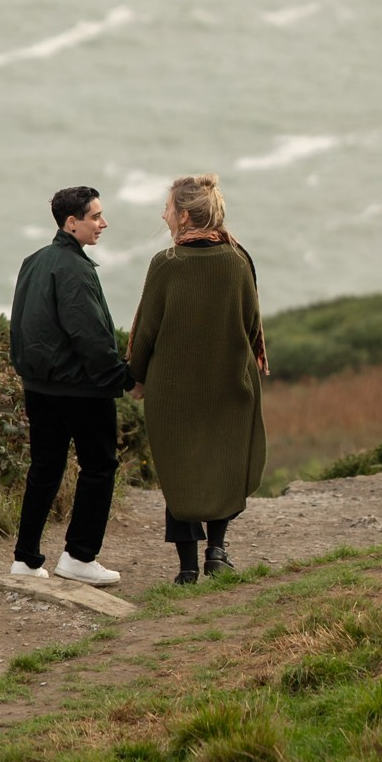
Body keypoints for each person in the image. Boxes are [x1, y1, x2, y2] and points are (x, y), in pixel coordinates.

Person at [126, 172, 268, 582]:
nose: (164, 214)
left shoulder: (166, 265)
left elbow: (146, 331)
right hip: (228, 384)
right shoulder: (239, 260)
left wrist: (135, 378)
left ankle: (188, 569)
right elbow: (252, 323)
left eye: (168, 208)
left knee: (181, 470)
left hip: (174, 392)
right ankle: (217, 551)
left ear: (185, 216)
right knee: (223, 463)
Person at [7, 185, 130, 587]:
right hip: (81, 390)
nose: (103, 223)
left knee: (45, 468)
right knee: (98, 467)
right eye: (95, 217)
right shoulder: (75, 269)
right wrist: (121, 377)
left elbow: (20, 323)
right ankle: (79, 557)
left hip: (39, 387)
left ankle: (25, 561)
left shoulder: (34, 260)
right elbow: (90, 336)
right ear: (71, 222)